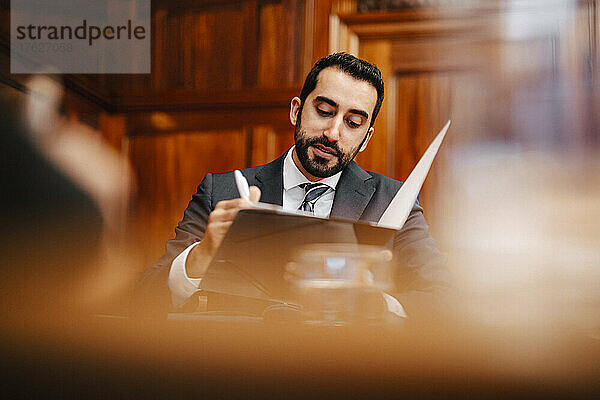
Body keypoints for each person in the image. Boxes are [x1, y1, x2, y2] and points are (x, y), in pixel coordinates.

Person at [135, 53, 453, 319]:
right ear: (296, 111)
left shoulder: (394, 202)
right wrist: (201, 255)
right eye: (324, 111)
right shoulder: (220, 191)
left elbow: (444, 299)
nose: (332, 132)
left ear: (366, 138)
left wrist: (378, 305)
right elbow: (144, 299)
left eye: (353, 122)